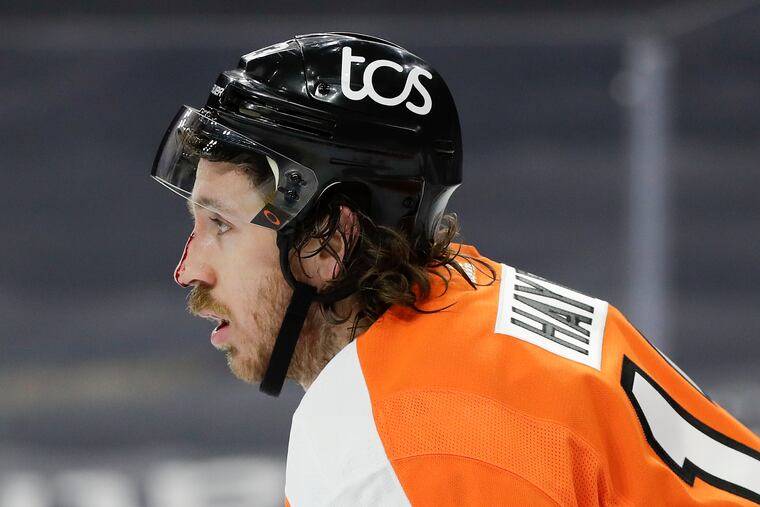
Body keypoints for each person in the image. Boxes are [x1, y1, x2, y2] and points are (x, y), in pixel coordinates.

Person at [150, 32, 760, 506]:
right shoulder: (462, 306)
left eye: (220, 224)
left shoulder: (408, 446)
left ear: (329, 241)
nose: (188, 269)